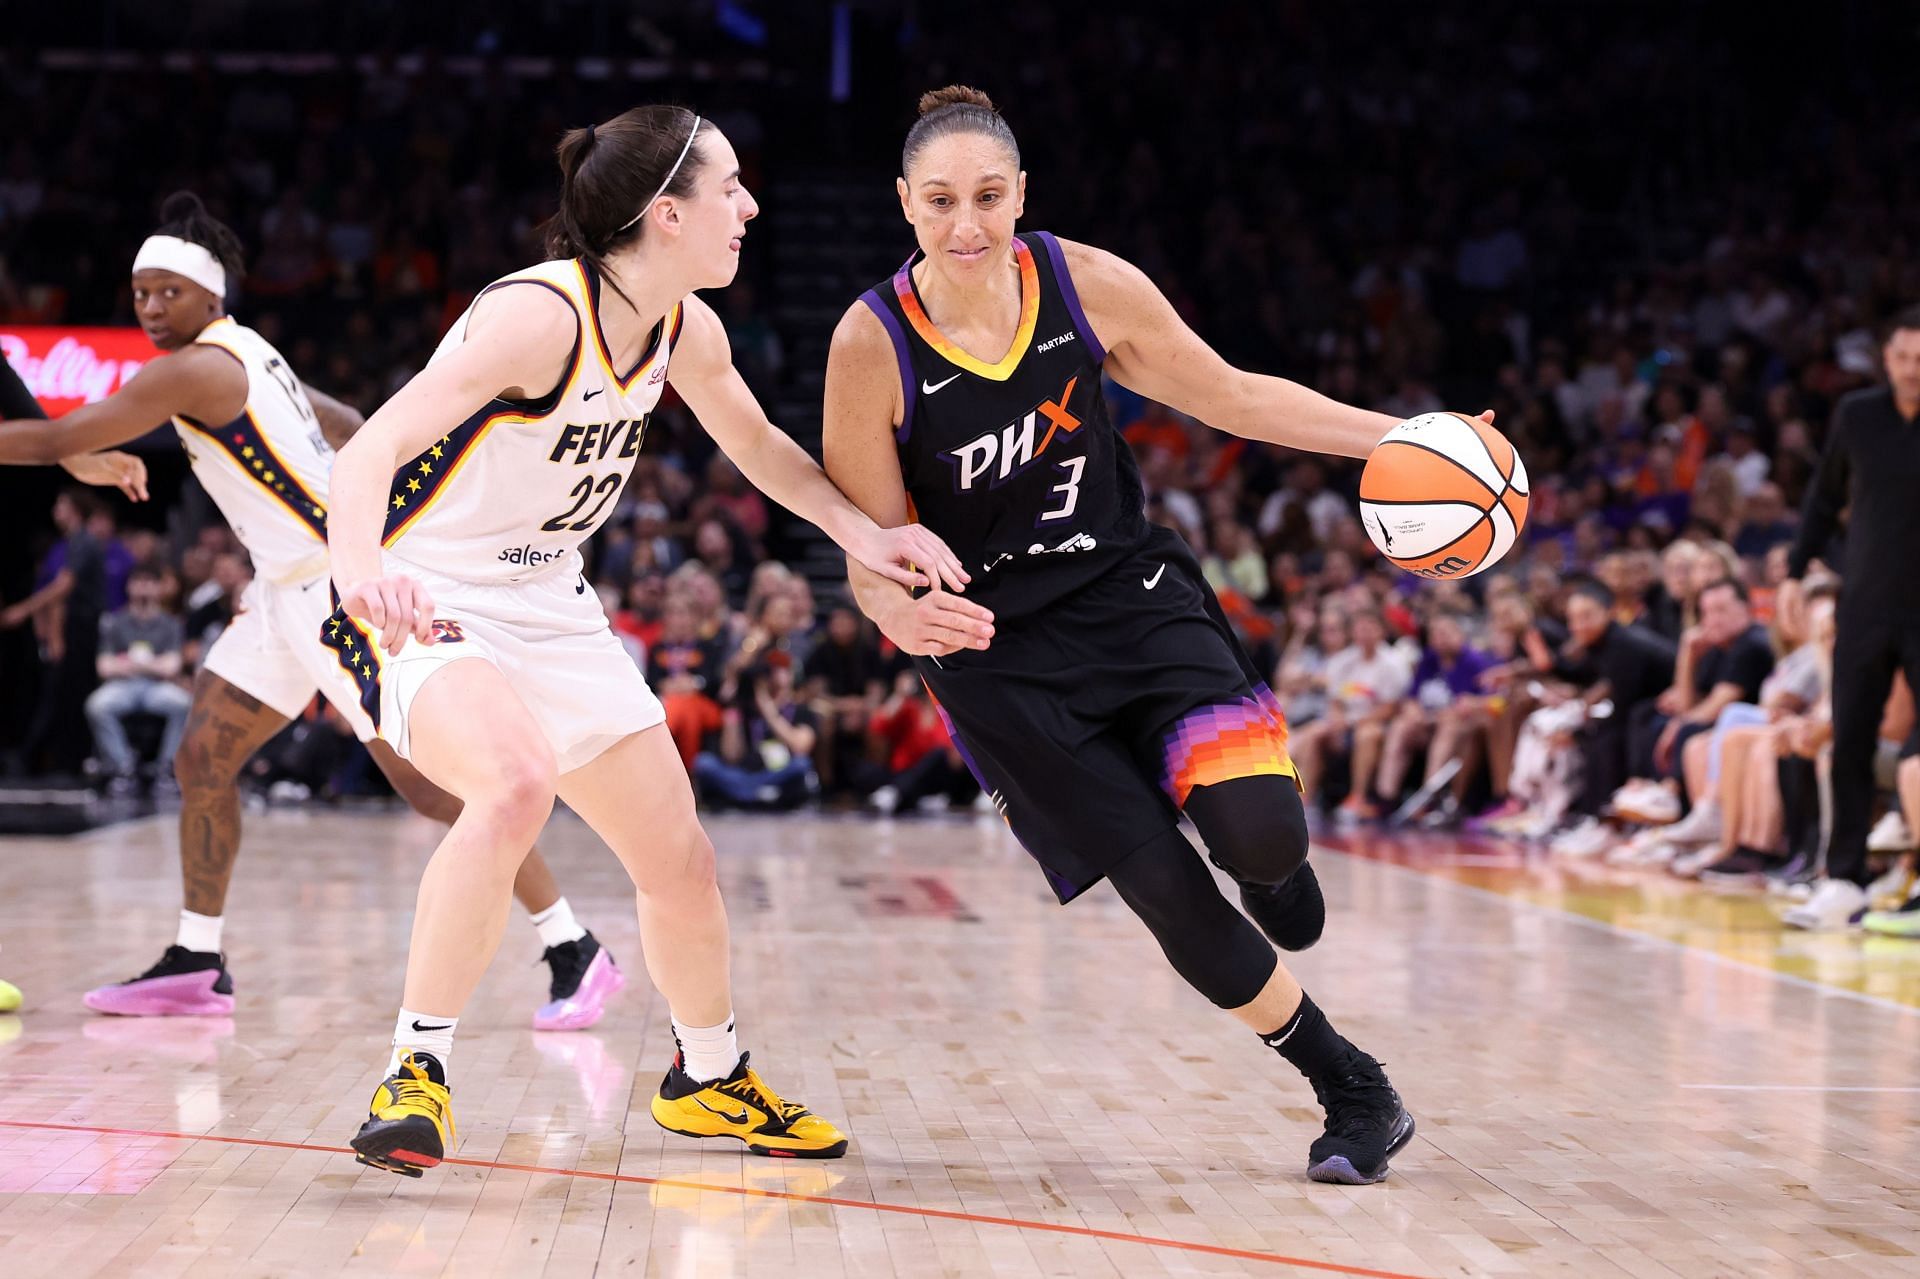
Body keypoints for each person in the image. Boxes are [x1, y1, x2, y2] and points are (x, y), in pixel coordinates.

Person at [822, 87, 1491, 1184]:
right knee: (1165, 894)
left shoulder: (1085, 283)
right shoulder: (872, 340)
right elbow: (867, 544)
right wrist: (893, 605)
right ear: (905, 204)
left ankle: (1266, 864)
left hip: (1132, 600)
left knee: (1264, 838)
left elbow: (1230, 396)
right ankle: (1352, 1084)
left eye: (988, 197)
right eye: (940, 202)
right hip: (998, 658)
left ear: (1022, 193)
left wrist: (1411, 438)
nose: (967, 225)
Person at [323, 105, 963, 1176]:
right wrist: (358, 572)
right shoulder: (540, 317)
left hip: (553, 604)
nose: (751, 207)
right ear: (667, 215)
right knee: (516, 786)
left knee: (680, 858)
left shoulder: (683, 329)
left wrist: (866, 529)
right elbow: (373, 446)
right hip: (431, 589)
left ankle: (709, 1079)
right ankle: (415, 1073)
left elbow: (759, 445)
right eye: (731, 190)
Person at [0, 193, 622, 1032]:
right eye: (140, 292)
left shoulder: (194, 368)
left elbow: (49, 439)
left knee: (436, 785)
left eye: (167, 293)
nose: (149, 307)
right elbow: (353, 423)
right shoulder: (250, 350)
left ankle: (574, 947)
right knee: (204, 759)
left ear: (210, 295)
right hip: (283, 588)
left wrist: (79, 453)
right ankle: (195, 957)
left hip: (329, 586)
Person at [1780, 305, 1920, 929]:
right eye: (1903, 358)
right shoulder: (1858, 416)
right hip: (1864, 604)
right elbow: (1823, 496)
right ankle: (1844, 881)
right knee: (1850, 741)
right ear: (1886, 360)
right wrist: (1796, 569)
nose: (1914, 371)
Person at [85, 564, 193, 795]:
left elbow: (172, 667)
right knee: (97, 705)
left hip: (157, 687)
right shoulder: (114, 622)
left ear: (158, 588)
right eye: (138, 582)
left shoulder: (171, 624)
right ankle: (123, 766)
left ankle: (167, 767)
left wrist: (129, 662)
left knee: (183, 704)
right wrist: (152, 664)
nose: (143, 588)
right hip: (123, 686)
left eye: (149, 582)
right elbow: (104, 667)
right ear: (129, 587)